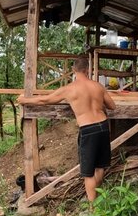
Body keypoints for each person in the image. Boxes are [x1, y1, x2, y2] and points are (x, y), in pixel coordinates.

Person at [17, 58, 116, 203]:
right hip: (103, 126)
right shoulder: (98, 86)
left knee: (88, 173)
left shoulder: (69, 89)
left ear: (74, 70)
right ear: (87, 70)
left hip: (88, 129)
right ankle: (98, 198)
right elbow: (112, 106)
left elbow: (44, 100)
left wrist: (24, 100)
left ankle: (94, 209)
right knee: (100, 166)